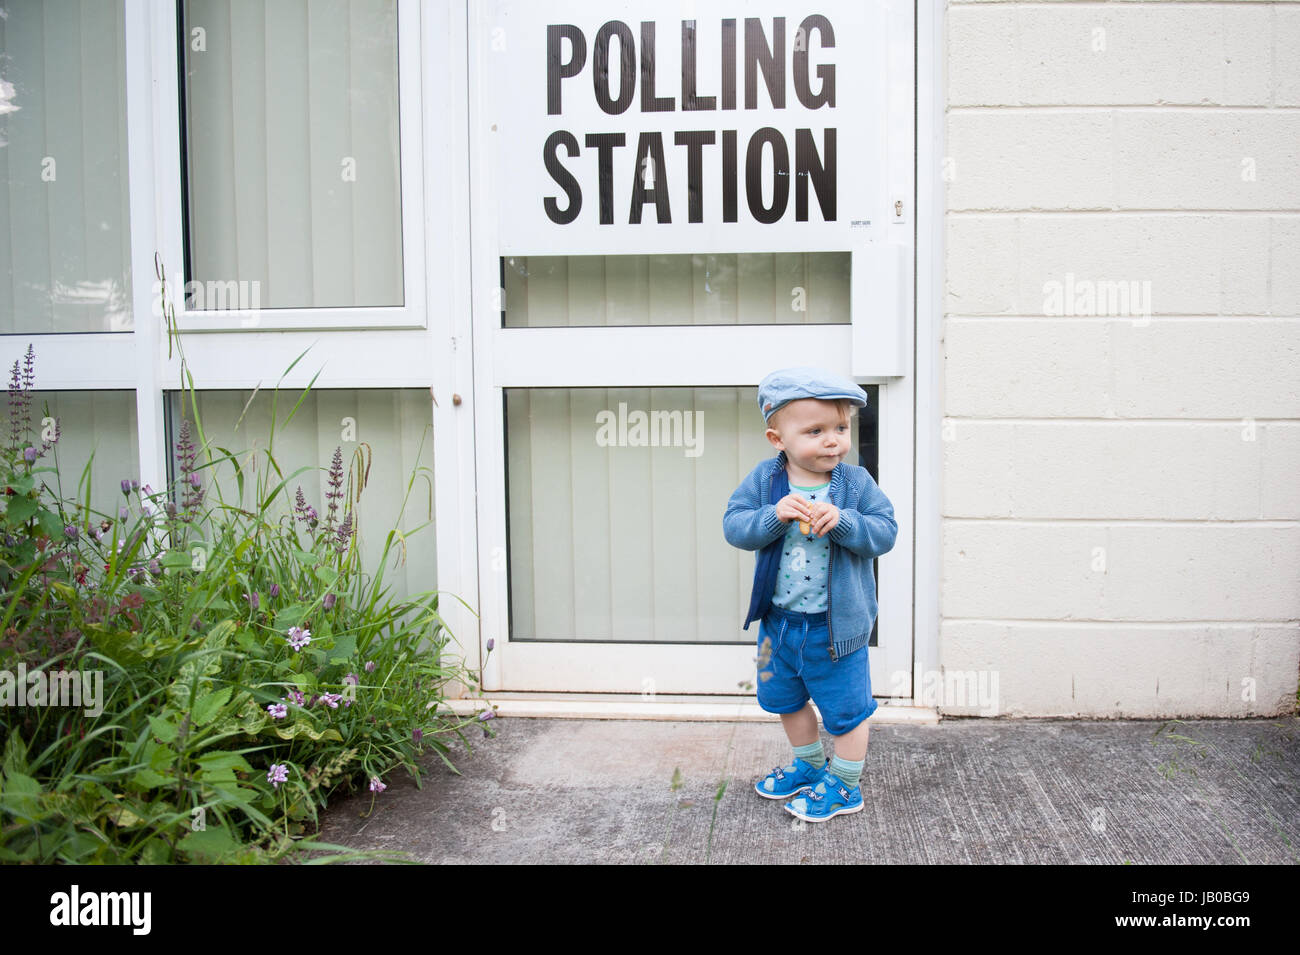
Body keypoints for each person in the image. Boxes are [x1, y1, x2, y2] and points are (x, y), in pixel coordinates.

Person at [722, 366, 898, 822]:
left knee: (847, 711)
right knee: (784, 699)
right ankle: (809, 765)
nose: (833, 440)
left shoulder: (855, 483)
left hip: (836, 629)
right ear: (777, 438)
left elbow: (885, 533)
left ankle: (844, 785)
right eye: (815, 430)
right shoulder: (767, 481)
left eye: (841, 428)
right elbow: (734, 525)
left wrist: (844, 522)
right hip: (777, 624)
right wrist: (771, 516)